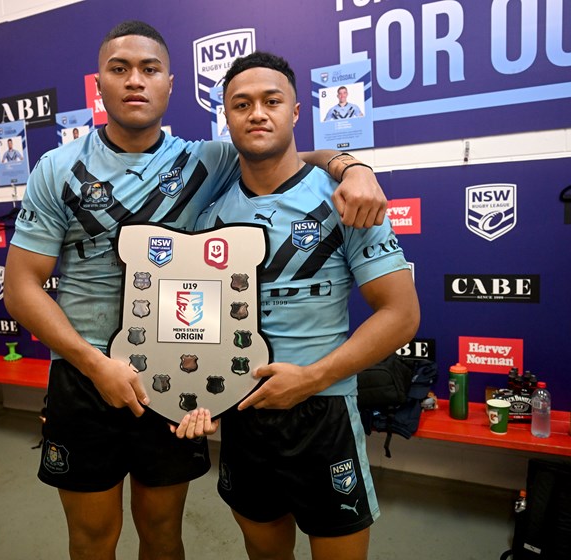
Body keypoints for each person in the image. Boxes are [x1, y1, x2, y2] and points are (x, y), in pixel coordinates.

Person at [4, 21, 388, 560]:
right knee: (91, 538)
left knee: (162, 533)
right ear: (99, 85)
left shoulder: (206, 160)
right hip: (85, 377)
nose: (135, 81)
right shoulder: (57, 168)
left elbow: (288, 156)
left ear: (170, 84)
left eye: (149, 69)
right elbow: (21, 290)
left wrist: (354, 165)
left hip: (167, 374)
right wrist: (95, 365)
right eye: (120, 69)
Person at [180, 51, 420, 560]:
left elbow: (401, 315)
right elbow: (198, 324)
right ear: (226, 117)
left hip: (323, 412)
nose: (257, 113)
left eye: (272, 101)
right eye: (241, 104)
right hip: (244, 413)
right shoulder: (209, 215)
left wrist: (311, 378)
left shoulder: (348, 198)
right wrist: (194, 394)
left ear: (295, 112)